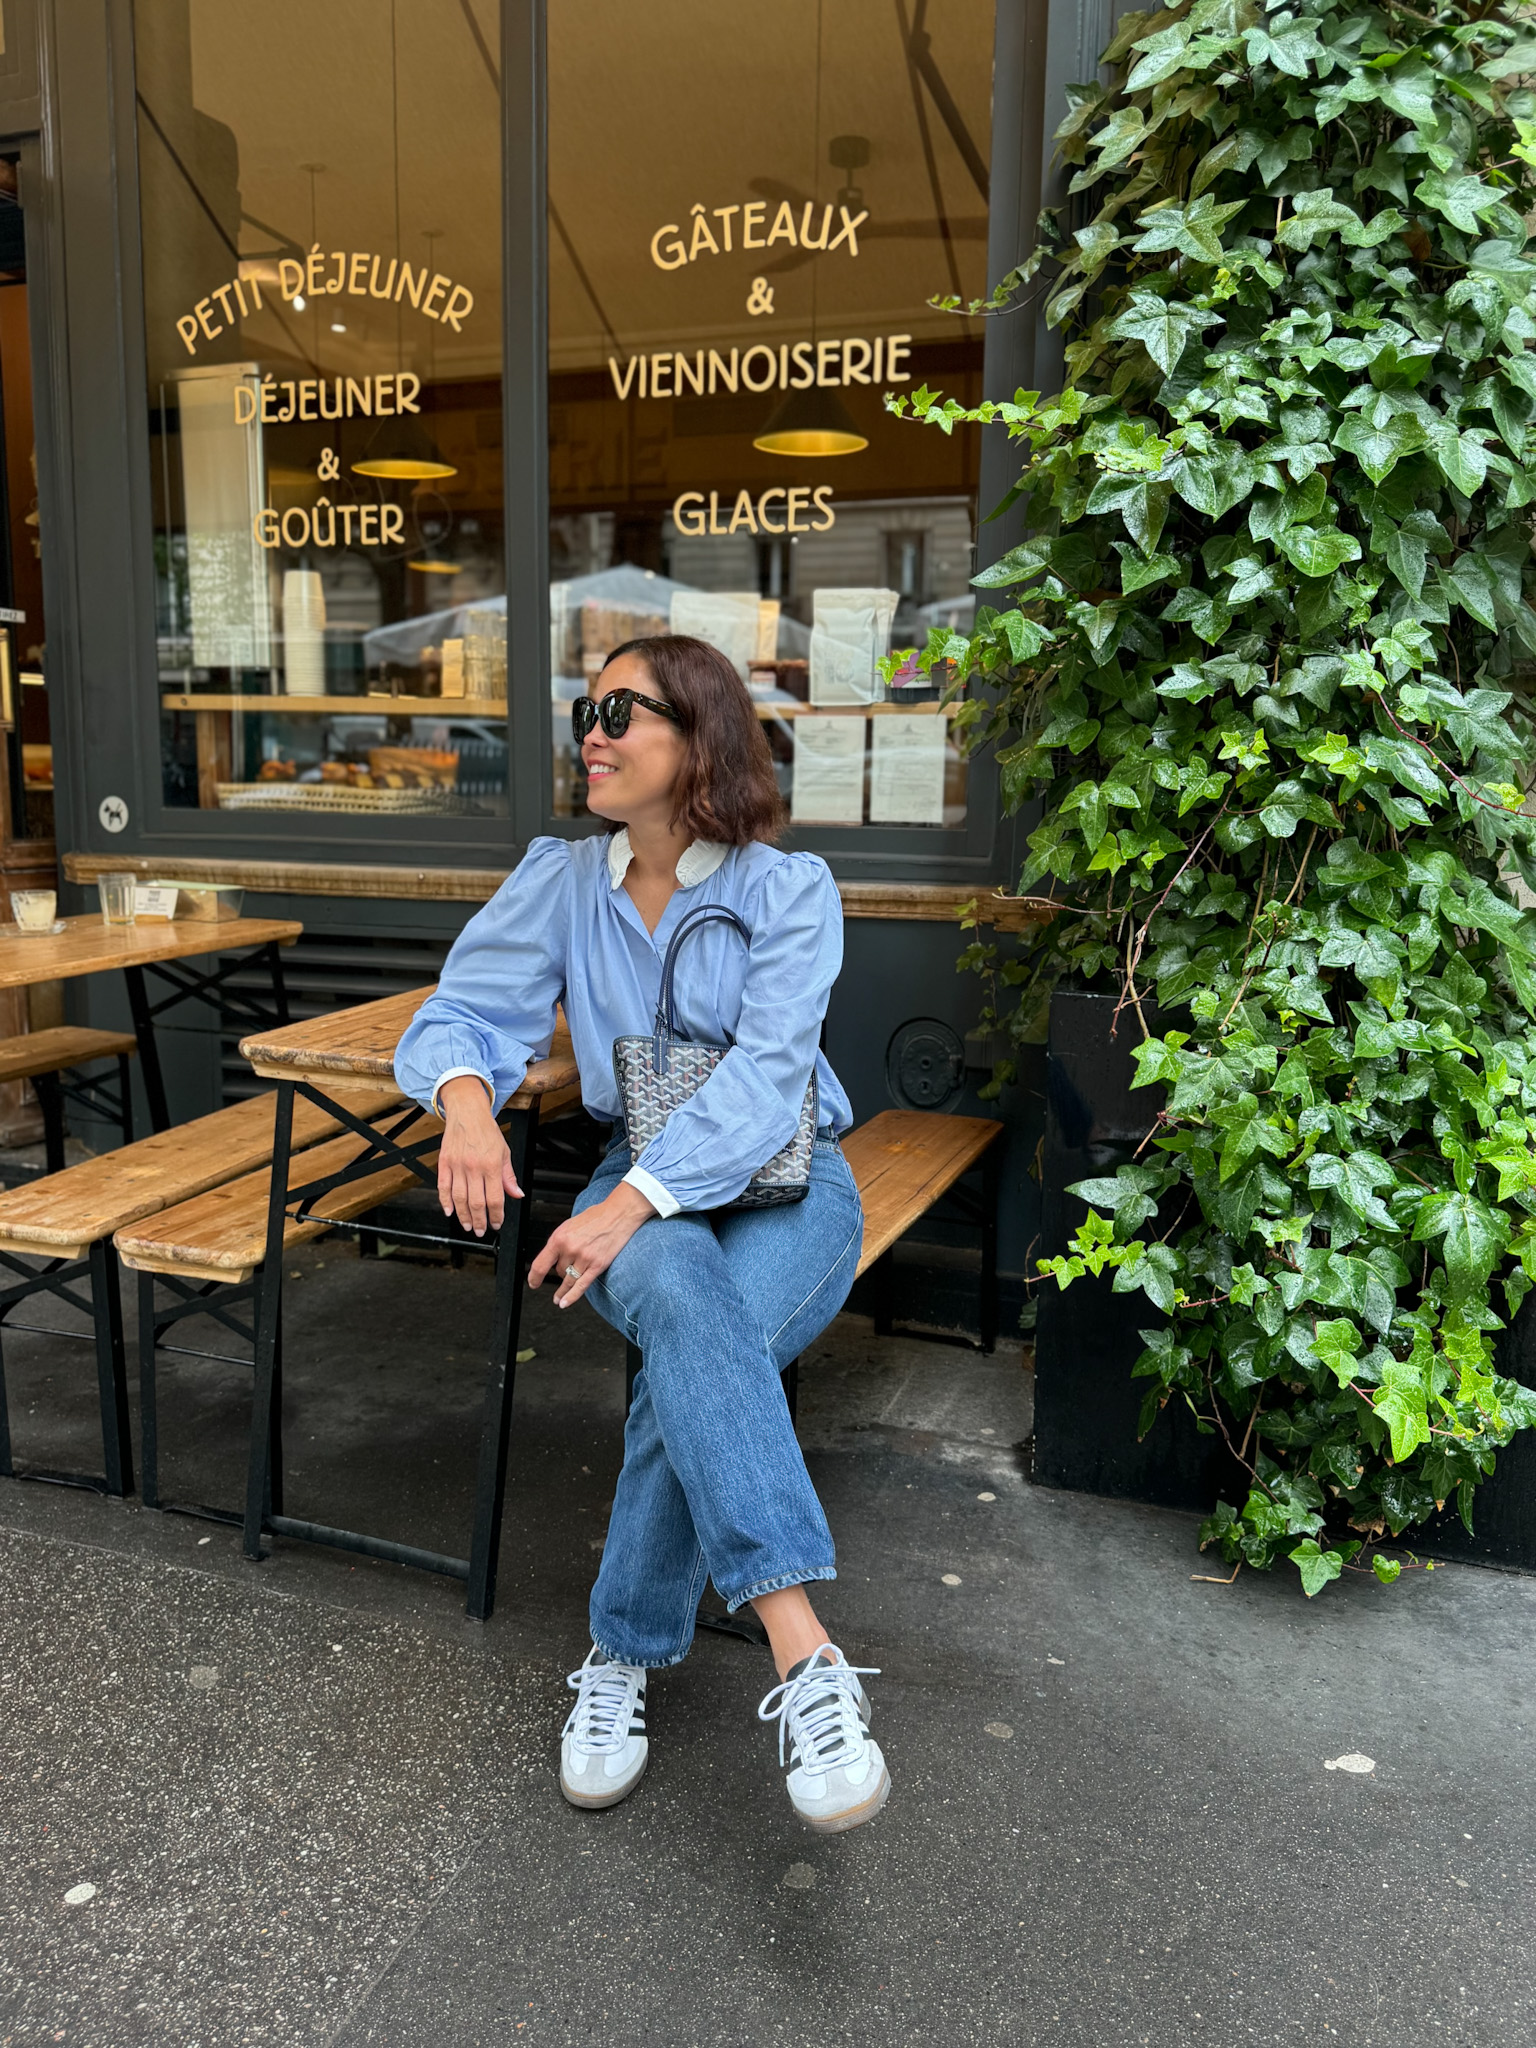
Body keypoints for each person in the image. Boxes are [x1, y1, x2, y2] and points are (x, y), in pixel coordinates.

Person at [394, 634, 889, 1833]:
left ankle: (620, 1654)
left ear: (702, 732)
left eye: (624, 708)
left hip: (788, 1181)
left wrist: (623, 1204)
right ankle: (806, 1654)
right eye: (586, 709)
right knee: (682, 1304)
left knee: (682, 1350)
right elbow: (461, 1008)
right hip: (641, 1179)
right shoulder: (565, 877)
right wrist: (467, 1102)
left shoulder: (787, 890)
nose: (594, 731)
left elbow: (772, 1085)